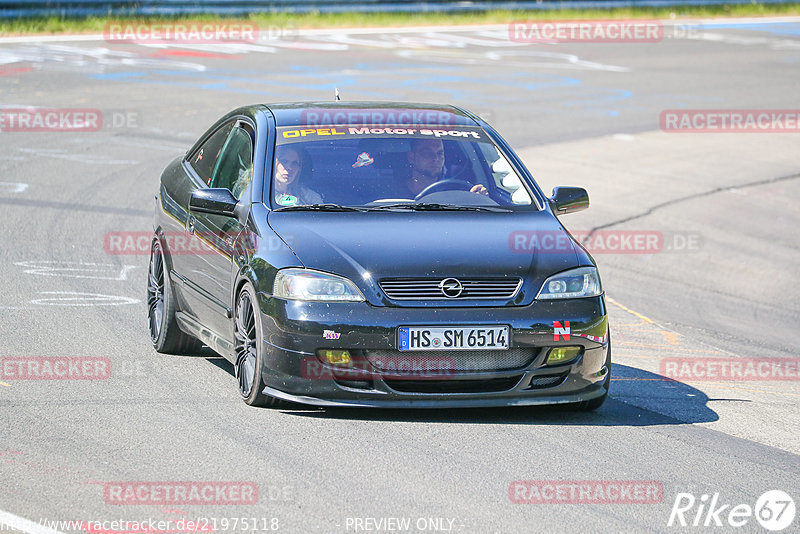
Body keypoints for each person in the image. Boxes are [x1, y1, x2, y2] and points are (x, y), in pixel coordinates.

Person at [404, 139, 488, 198]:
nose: (436, 159)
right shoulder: (394, 193)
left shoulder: (457, 192)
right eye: (427, 153)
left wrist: (478, 197)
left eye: (440, 153)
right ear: (411, 157)